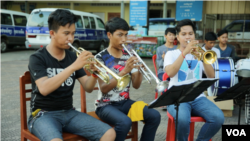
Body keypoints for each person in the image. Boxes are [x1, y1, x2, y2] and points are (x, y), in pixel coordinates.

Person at [28, 9, 115, 141]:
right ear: (52, 33)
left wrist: (94, 74)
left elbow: (88, 87)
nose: (71, 38)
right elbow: (44, 89)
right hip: (43, 114)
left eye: (73, 34)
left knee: (109, 133)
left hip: (69, 112)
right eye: (66, 33)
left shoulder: (72, 56)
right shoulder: (37, 58)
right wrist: (74, 66)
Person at [95, 17, 161, 141]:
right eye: (120, 35)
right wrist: (125, 71)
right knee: (125, 122)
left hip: (125, 102)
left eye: (126, 35)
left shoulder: (129, 55)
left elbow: (136, 85)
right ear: (109, 35)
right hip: (105, 105)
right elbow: (104, 89)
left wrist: (139, 71)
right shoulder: (100, 57)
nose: (124, 39)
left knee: (154, 115)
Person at [164, 19, 224, 141]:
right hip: (177, 98)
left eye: (190, 34)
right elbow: (170, 73)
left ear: (195, 35)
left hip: (198, 97)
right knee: (182, 119)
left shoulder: (200, 53)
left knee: (218, 117)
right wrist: (185, 53)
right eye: (184, 34)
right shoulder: (171, 54)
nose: (188, 37)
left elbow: (211, 75)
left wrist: (204, 59)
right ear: (178, 37)